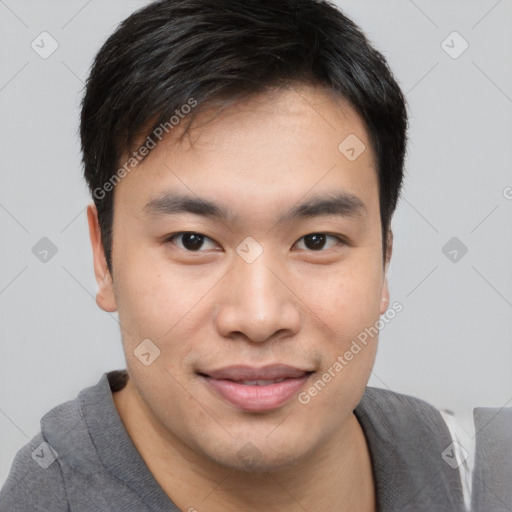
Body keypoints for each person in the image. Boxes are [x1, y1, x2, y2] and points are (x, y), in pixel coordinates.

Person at [2, 1, 507, 511]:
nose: (260, 317)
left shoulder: (486, 476)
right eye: (193, 241)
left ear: (384, 261)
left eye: (316, 241)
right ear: (102, 257)